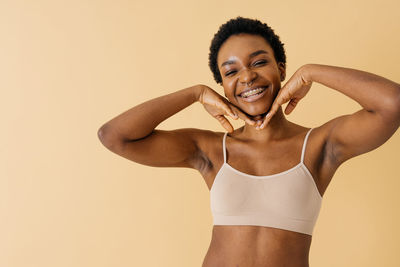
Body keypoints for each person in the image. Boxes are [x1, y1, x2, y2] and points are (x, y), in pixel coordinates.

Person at [97, 17, 400, 267]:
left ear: (281, 69)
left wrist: (310, 73)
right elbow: (114, 136)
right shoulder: (210, 151)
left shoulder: (321, 145)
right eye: (230, 71)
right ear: (223, 87)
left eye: (258, 62)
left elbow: (393, 104)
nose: (247, 77)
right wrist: (194, 93)